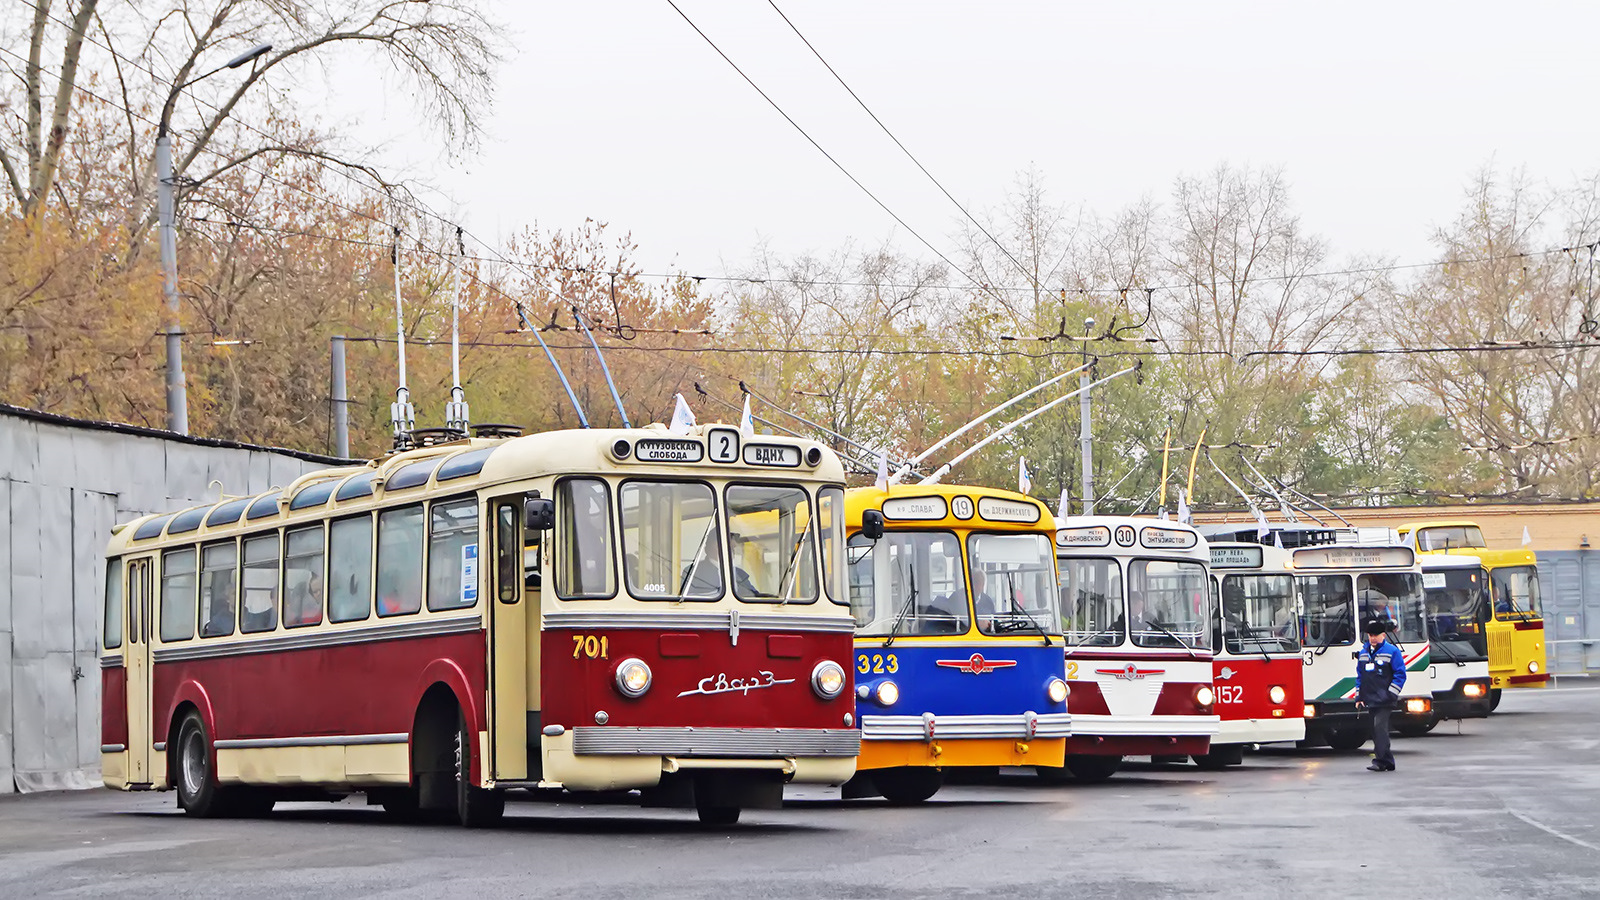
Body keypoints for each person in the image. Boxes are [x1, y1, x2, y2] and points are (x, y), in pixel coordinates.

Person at [1355, 618, 1406, 772]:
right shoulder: (1364, 653)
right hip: (1371, 699)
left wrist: (1391, 693)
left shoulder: (1392, 651)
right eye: (1370, 635)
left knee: (1379, 728)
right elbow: (1360, 676)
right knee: (1375, 730)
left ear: (1383, 635)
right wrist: (1359, 697)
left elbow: (1400, 674)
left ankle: (1380, 760)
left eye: (1376, 635)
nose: (1373, 638)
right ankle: (1388, 761)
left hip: (1385, 700)